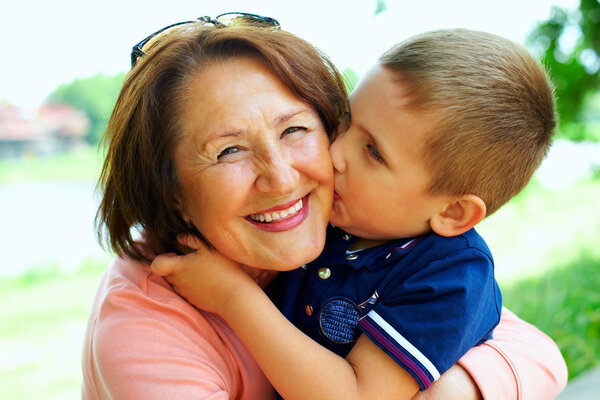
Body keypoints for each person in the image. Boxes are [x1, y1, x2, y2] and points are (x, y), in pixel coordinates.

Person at [82, 15, 567, 399]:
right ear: (167, 187)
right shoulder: (144, 325)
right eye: (229, 150)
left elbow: (534, 352)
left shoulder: (428, 262)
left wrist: (236, 297)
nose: (329, 159)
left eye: (295, 130)